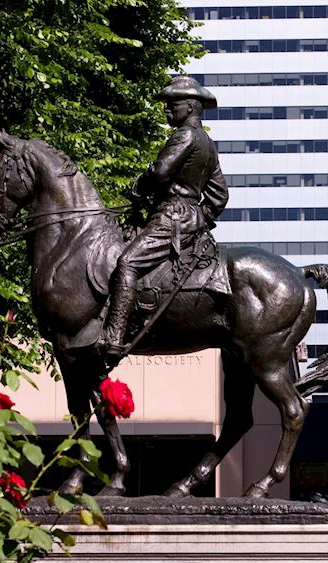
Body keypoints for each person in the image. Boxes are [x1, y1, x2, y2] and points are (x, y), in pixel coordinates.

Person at [98, 76, 228, 365]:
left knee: (127, 262)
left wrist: (137, 187)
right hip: (187, 217)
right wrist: (198, 218)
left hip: (171, 216)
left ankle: (114, 336)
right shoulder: (208, 143)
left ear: (191, 106)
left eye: (173, 104)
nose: (167, 109)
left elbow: (160, 173)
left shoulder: (184, 135)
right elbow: (220, 195)